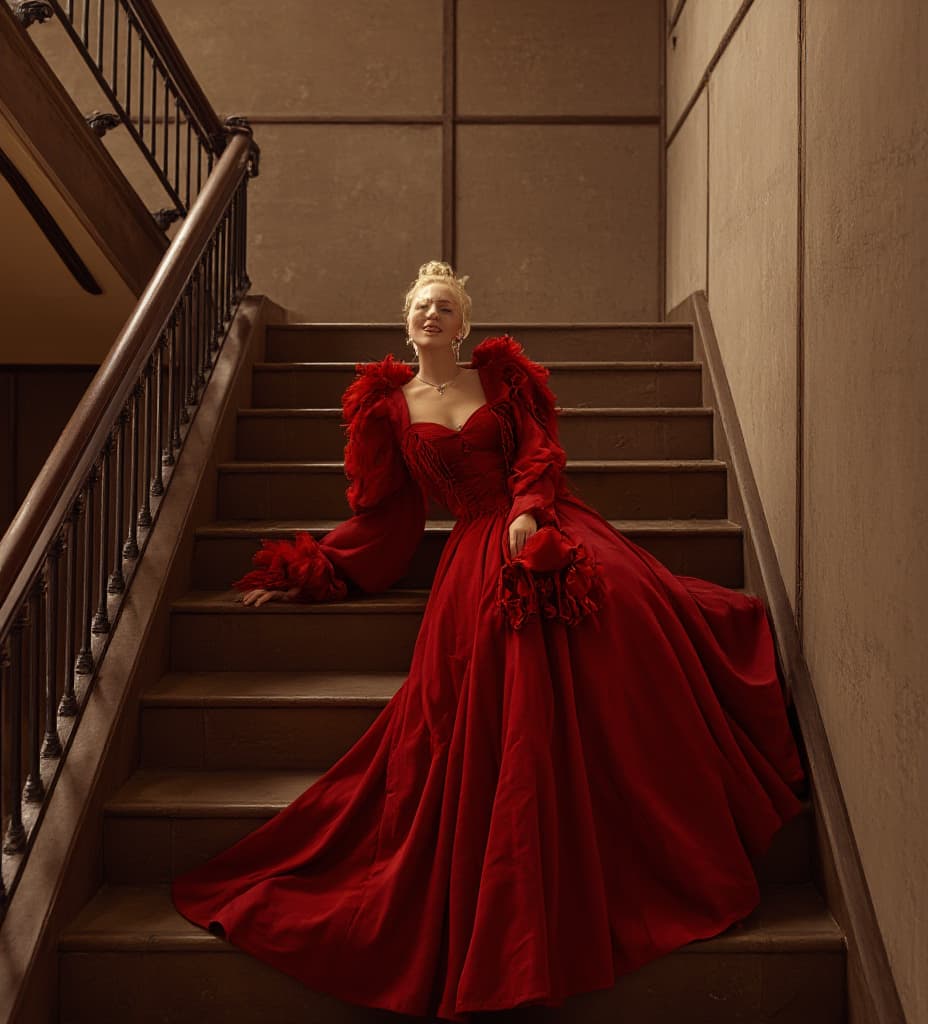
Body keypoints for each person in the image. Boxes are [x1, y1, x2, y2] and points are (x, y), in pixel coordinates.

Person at [171, 261, 806, 1022]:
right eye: (423, 307)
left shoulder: (502, 380)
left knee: (621, 599)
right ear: (406, 322)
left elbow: (540, 455)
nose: (434, 316)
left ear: (464, 324)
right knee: (501, 652)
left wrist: (531, 508)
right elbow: (387, 521)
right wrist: (317, 569)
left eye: (446, 307)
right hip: (474, 546)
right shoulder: (391, 409)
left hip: (544, 519)